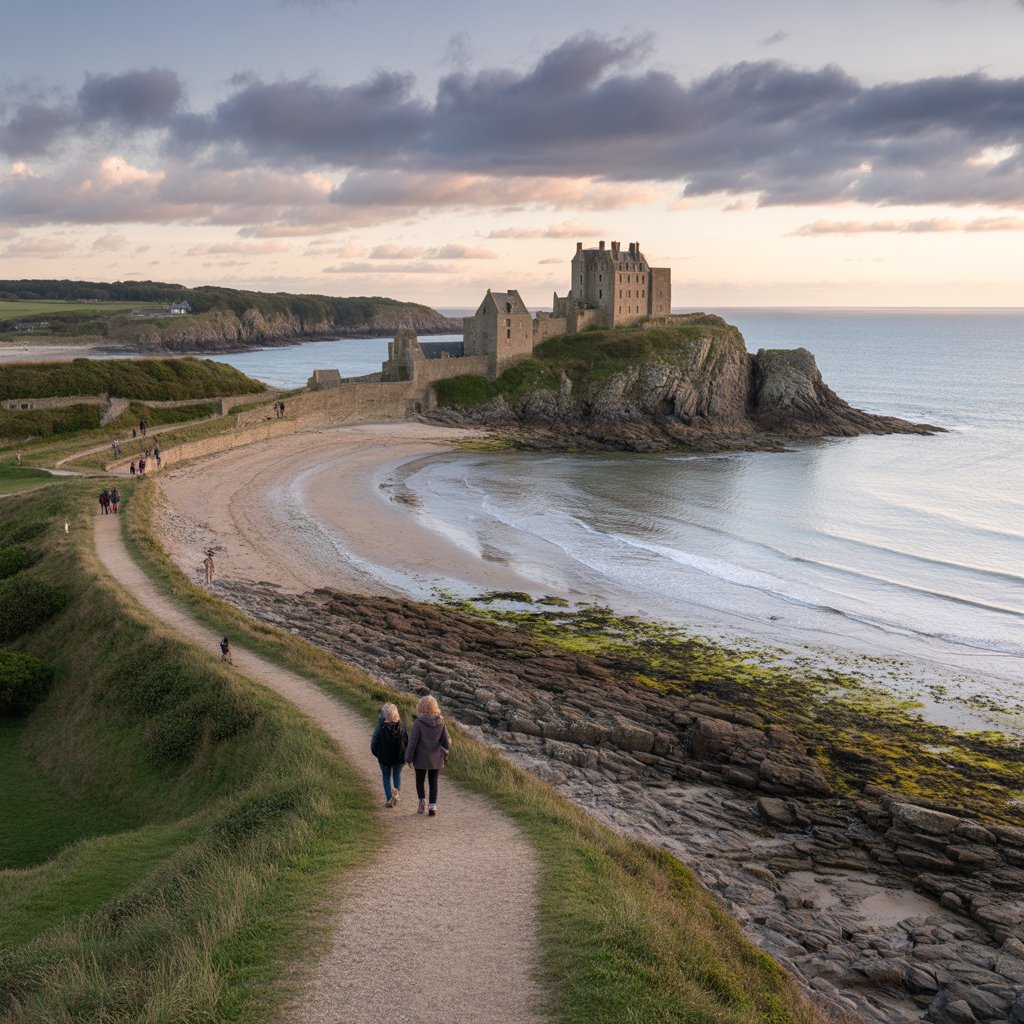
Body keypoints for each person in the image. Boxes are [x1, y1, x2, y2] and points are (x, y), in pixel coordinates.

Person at [404, 695, 451, 817]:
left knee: (420, 780)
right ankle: (432, 806)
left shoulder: (418, 723)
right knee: (433, 781)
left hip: (420, 758)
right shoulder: (441, 722)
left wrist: (408, 758)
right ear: (435, 707)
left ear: (421, 707)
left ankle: (422, 802)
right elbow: (446, 742)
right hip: (435, 758)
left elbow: (412, 743)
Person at [371, 702, 409, 807]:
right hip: (399, 757)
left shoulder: (380, 727)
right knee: (396, 775)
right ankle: (395, 794)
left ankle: (389, 798)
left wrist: (377, 754)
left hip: (384, 757)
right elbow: (407, 742)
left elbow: (374, 743)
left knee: (386, 776)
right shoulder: (402, 726)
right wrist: (406, 755)